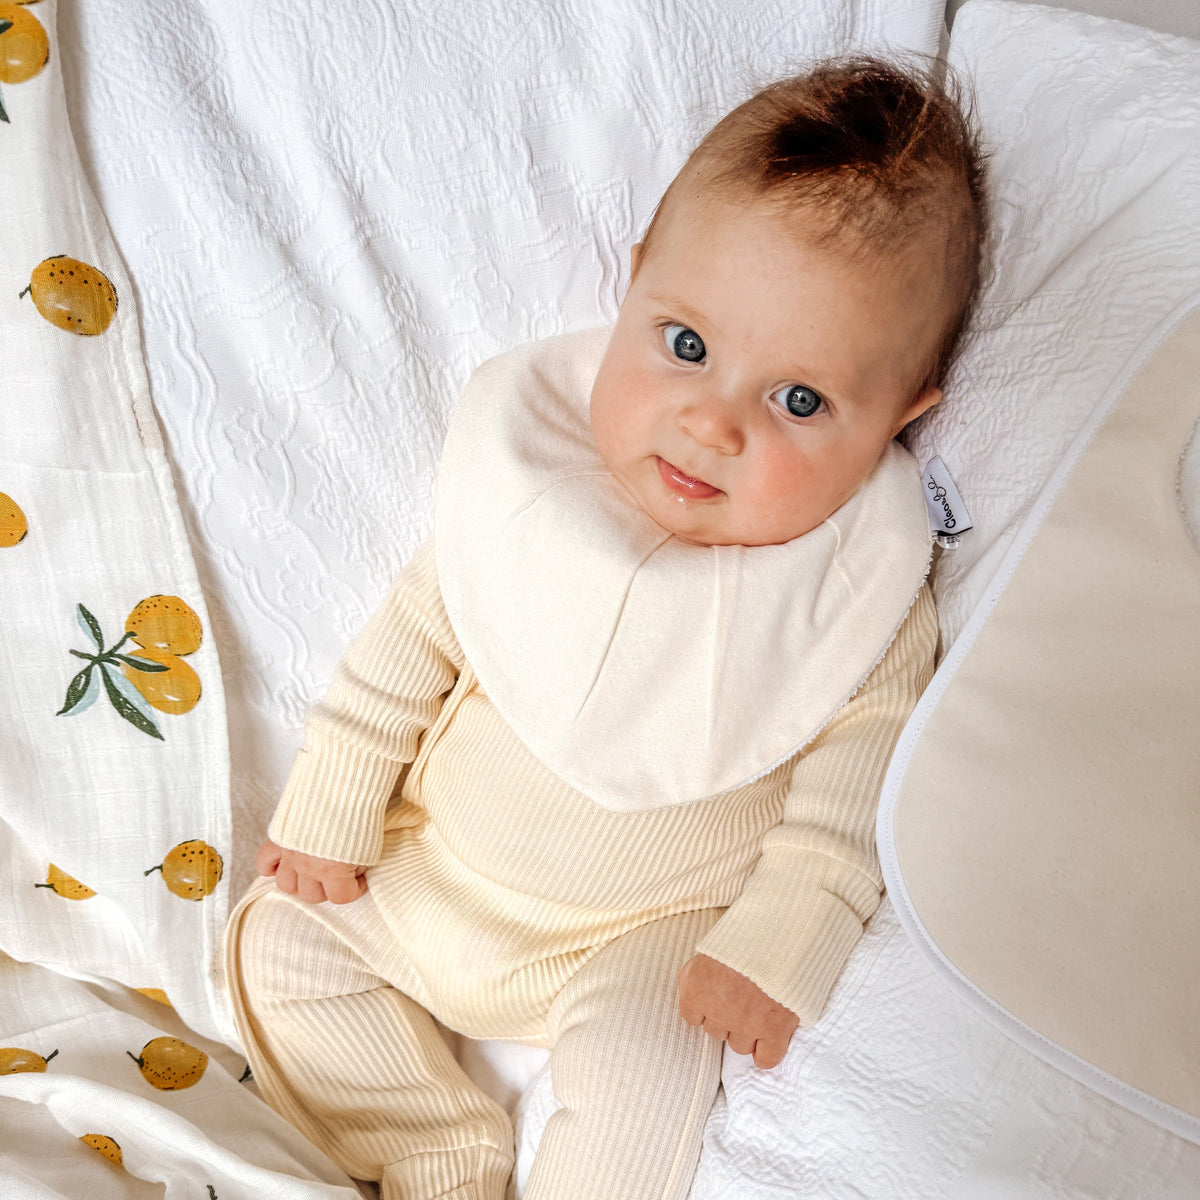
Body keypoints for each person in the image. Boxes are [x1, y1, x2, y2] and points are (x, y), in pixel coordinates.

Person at [224, 55, 987, 1200]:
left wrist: (778, 943)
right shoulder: (539, 484)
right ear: (632, 286)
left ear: (902, 416)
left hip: (639, 934)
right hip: (434, 864)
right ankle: (435, 1150)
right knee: (278, 939)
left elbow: (847, 801)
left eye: (799, 401)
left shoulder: (856, 593)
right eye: (685, 346)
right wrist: (334, 800)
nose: (710, 426)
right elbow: (414, 638)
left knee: (648, 1072)